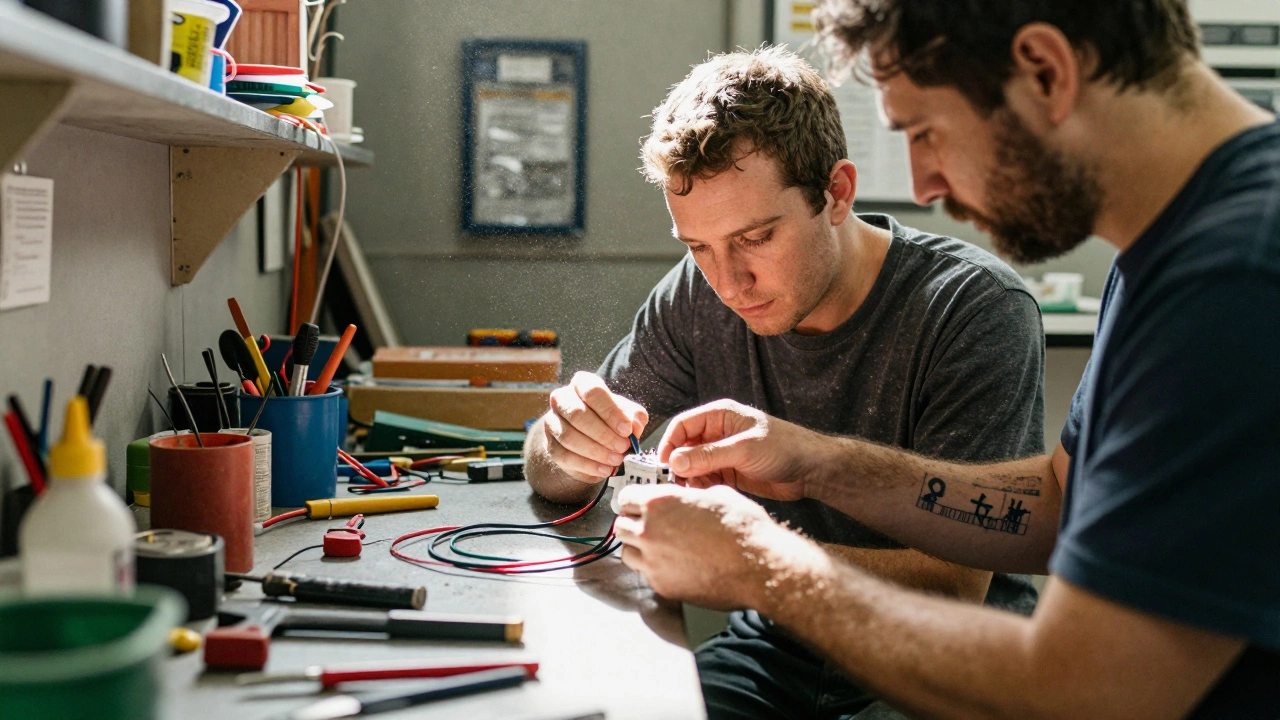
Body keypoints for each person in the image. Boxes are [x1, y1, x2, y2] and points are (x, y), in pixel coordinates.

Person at [614, 1, 1280, 718]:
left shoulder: (1239, 277)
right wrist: (817, 463)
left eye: (926, 133)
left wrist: (758, 564)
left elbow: (1083, 691)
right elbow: (1059, 502)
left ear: (1046, 71)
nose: (927, 185)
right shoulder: (1171, 246)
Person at [523, 46, 1047, 718]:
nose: (728, 282)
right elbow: (549, 469)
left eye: (757, 237)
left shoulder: (971, 308)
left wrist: (746, 560)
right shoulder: (698, 296)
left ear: (836, 193)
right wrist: (566, 446)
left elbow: (951, 587)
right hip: (782, 648)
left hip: (948, 663)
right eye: (699, 247)